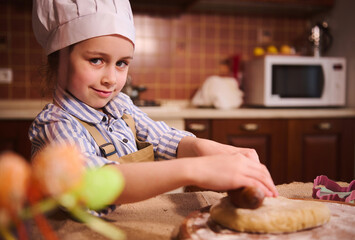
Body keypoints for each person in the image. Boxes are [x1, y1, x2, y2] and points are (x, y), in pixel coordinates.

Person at [30, 0, 278, 214]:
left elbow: (162, 139)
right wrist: (195, 169)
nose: (111, 79)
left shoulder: (120, 106)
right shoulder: (55, 124)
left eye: (122, 63)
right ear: (59, 59)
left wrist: (208, 149)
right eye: (96, 60)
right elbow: (89, 183)